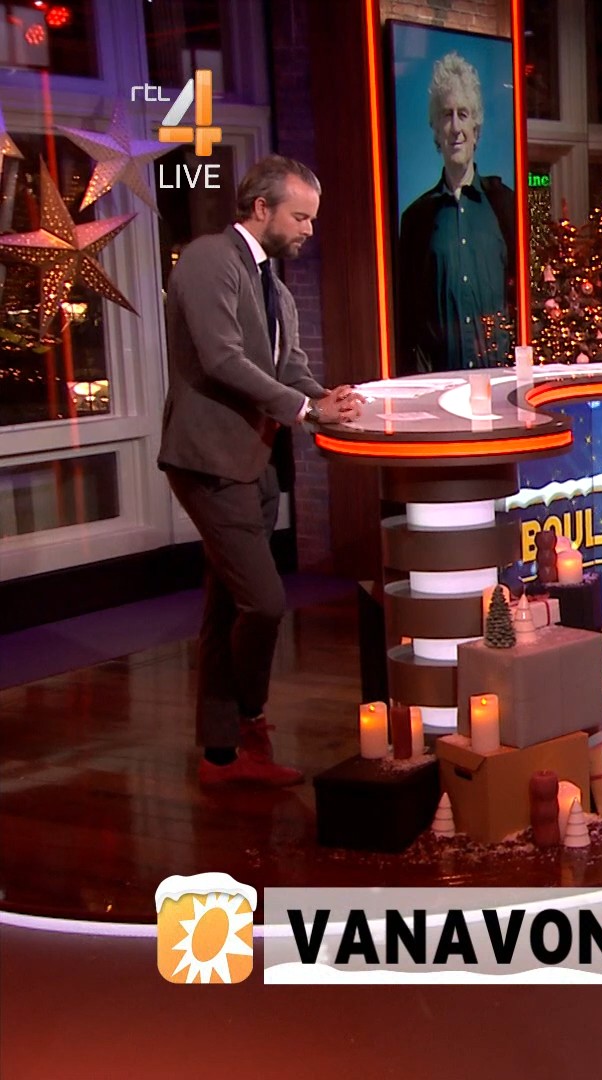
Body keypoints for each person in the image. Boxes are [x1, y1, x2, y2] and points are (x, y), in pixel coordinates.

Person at [158, 156, 363, 787]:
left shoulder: (274, 284)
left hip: (256, 460)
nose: (308, 230)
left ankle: (223, 752)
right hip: (209, 461)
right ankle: (246, 718)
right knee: (265, 603)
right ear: (260, 209)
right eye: (300, 217)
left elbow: (289, 366)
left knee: (227, 607)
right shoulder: (208, 260)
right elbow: (222, 359)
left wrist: (327, 400)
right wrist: (305, 410)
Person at [395, 51, 517, 375]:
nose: (455, 127)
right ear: (435, 130)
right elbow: (408, 319)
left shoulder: (508, 205)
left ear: (476, 128)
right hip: (440, 383)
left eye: (463, 114)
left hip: (502, 380)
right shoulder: (415, 219)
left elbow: (533, 297)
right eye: (446, 115)